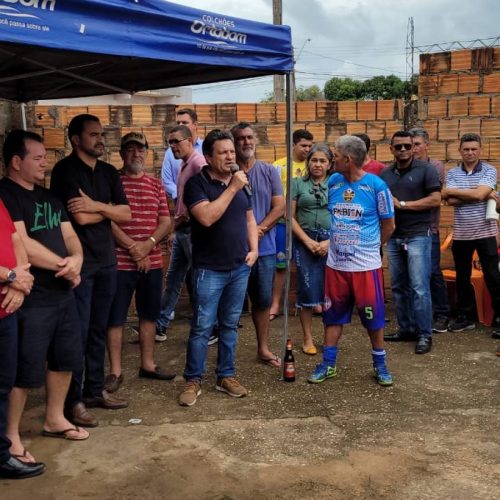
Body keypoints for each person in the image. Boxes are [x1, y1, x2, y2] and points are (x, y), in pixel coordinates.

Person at [50, 114, 131, 427]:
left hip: (107, 262)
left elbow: (125, 214)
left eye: (102, 134)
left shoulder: (109, 171)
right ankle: (74, 401)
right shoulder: (65, 171)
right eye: (94, 135)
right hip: (80, 265)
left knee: (99, 329)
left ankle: (95, 390)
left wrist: (96, 206)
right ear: (75, 139)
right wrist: (107, 210)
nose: (101, 139)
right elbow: (78, 220)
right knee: (78, 333)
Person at [178, 129, 258, 406]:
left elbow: (249, 218)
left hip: (239, 267)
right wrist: (233, 187)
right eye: (223, 153)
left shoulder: (241, 182)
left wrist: (254, 249)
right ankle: (193, 379)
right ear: (209, 157)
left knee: (230, 326)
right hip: (209, 269)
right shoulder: (196, 185)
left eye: (232, 152)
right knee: (202, 327)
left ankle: (226, 375)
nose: (230, 157)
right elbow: (207, 217)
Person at [307, 135, 395, 386]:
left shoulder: (377, 187)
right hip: (336, 267)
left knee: (373, 319)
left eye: (334, 156)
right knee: (332, 317)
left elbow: (389, 225)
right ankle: (328, 364)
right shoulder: (334, 181)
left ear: (347, 159)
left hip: (365, 268)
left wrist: (371, 247)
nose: (331, 160)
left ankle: (380, 365)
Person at [105, 132, 174, 394]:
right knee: (116, 317)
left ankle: (147, 364)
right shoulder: (113, 182)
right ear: (122, 153)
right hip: (121, 261)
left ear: (147, 152)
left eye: (140, 149)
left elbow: (166, 221)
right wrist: (134, 248)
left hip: (152, 260)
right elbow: (108, 220)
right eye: (130, 149)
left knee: (149, 314)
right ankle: (115, 371)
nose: (136, 154)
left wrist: (147, 246)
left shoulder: (156, 184)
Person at [381, 131, 441, 354]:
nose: (404, 150)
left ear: (414, 148)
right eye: (399, 147)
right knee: (398, 286)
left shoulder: (427, 170)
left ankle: (424, 334)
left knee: (419, 287)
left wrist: (403, 204)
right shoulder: (385, 174)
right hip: (395, 236)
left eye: (407, 146)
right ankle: (406, 329)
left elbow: (436, 199)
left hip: (418, 235)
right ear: (391, 149)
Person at [231, 122, 285, 367]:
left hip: (265, 249)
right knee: (230, 304)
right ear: (233, 143)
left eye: (250, 137)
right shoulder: (227, 173)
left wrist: (259, 229)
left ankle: (263, 348)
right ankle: (227, 355)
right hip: (233, 250)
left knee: (262, 301)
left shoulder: (269, 171)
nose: (246, 142)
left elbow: (280, 206)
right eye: (241, 138)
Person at [0, 199, 44, 479]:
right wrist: (11, 276)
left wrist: (21, 282)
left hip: (6, 308)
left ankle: (1, 455)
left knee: (3, 385)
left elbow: (15, 240)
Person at [441, 133, 500, 336]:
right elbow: (450, 201)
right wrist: (478, 193)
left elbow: (473, 195)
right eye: (466, 149)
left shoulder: (490, 170)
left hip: (486, 232)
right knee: (463, 277)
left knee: (493, 276)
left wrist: (456, 192)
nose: (470, 152)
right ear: (460, 151)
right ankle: (464, 317)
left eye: (474, 149)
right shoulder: (453, 173)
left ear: (480, 150)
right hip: (462, 233)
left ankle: (499, 318)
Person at [156, 125, 206, 340]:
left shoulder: (198, 163)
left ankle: (208, 327)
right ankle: (160, 322)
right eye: (170, 142)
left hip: (193, 230)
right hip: (182, 230)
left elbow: (203, 197)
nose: (173, 146)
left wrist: (183, 219)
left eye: (176, 141)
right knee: (174, 276)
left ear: (189, 140)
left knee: (199, 280)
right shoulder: (184, 164)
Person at [291, 144, 332, 355]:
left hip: (330, 242)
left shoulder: (336, 184)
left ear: (330, 164)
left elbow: (344, 217)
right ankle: (307, 338)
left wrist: (329, 242)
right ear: (308, 162)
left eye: (322, 161)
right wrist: (307, 241)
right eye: (314, 160)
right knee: (307, 290)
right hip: (305, 240)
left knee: (330, 292)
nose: (317, 164)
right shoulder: (297, 183)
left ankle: (329, 337)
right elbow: (289, 216)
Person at [409, 127, 450, 333]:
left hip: (429, 228)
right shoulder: (405, 167)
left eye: (416, 144)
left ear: (426, 145)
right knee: (413, 276)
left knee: (433, 271)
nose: (413, 149)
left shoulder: (434, 166)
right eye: (410, 145)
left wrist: (407, 201)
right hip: (408, 229)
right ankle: (420, 315)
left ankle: (442, 313)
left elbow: (434, 196)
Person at [270, 129, 314, 320]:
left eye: (310, 146)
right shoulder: (279, 166)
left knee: (310, 265)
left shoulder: (314, 165)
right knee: (281, 266)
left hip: (305, 224)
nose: (307, 149)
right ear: (293, 145)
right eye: (304, 145)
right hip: (282, 223)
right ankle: (275, 304)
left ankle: (314, 302)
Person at [161, 108, 203, 201]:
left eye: (184, 123)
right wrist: (181, 195)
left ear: (195, 125)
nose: (180, 126)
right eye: (178, 123)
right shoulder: (170, 152)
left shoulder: (206, 148)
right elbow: (166, 181)